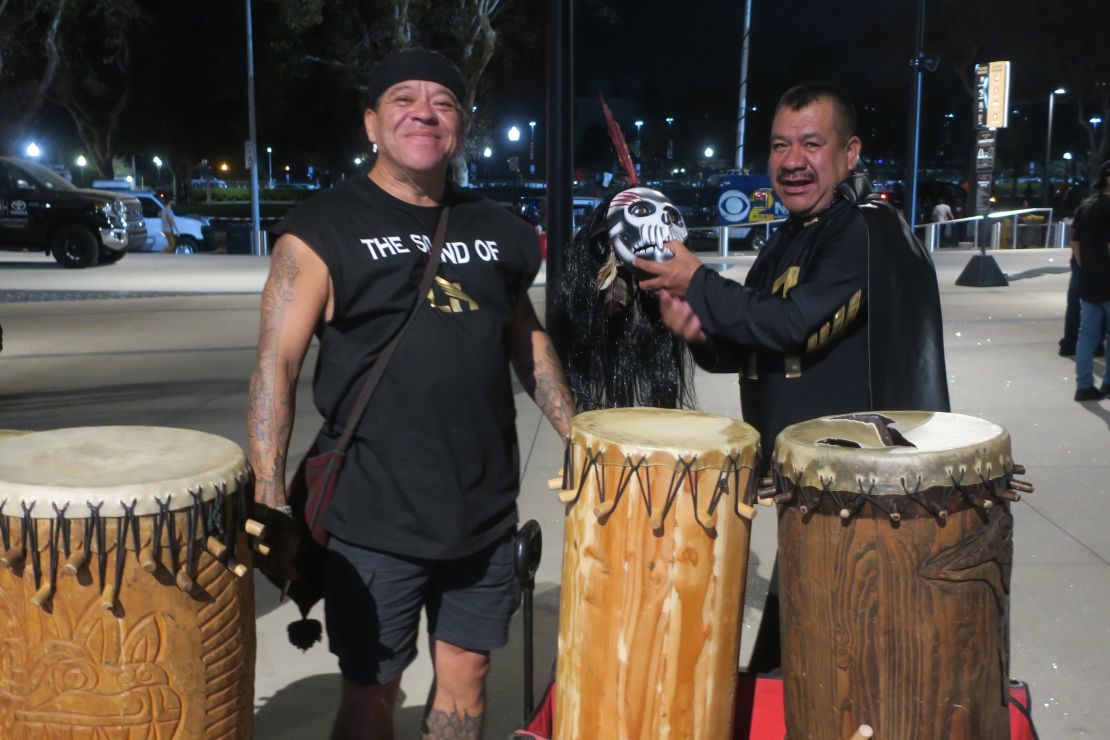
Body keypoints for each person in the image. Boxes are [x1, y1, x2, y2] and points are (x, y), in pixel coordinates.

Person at [246, 49, 574, 740]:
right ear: (372, 122)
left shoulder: (501, 230)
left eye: (443, 102)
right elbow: (276, 361)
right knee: (372, 693)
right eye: (403, 98)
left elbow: (527, 340)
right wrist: (269, 490)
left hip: (482, 512)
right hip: (373, 518)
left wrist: (582, 435)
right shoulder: (320, 229)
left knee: (469, 679)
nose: (424, 111)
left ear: (461, 126)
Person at [636, 82, 950, 671]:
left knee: (841, 672)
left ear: (849, 153)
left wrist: (697, 279)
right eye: (781, 145)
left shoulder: (863, 229)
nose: (792, 161)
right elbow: (761, 341)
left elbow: (795, 327)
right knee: (795, 665)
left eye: (811, 143)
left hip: (867, 507)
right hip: (813, 496)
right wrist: (700, 335)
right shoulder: (790, 235)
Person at [1071, 160, 1110, 402]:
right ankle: (1108, 383)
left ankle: (1084, 385)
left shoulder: (1085, 205)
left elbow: (1074, 241)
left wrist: (1085, 265)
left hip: (1088, 279)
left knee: (1087, 335)